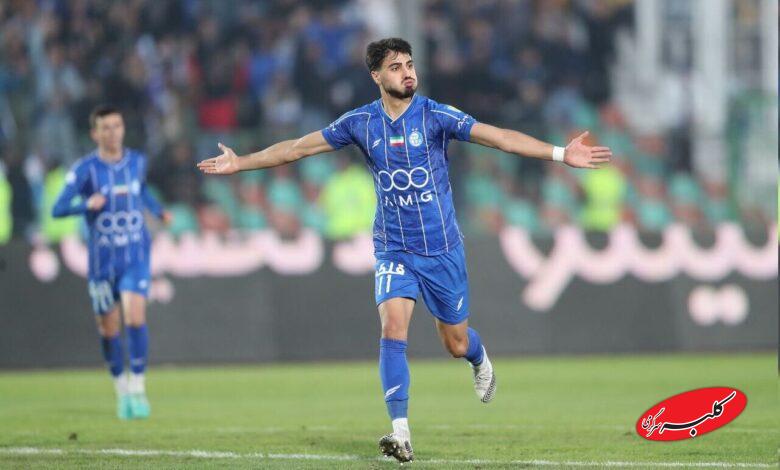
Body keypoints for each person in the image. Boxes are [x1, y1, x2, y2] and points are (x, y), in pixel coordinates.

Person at [197, 38, 611, 462]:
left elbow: (500, 137)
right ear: (376, 76)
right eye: (396, 67)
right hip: (393, 248)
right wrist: (241, 162)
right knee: (392, 329)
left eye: (410, 64)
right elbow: (297, 148)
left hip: (442, 250)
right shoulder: (360, 123)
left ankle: (477, 356)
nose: (407, 72)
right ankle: (401, 432)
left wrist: (561, 153)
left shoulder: (435, 115)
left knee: (455, 342)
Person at [52, 105, 171, 420]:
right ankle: (121, 391)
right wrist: (85, 205)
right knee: (108, 329)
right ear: (95, 133)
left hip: (135, 255)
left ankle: (138, 388)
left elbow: (141, 191)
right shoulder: (85, 170)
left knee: (135, 317)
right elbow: (57, 208)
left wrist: (158, 210)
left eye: (117, 126)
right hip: (102, 262)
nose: (113, 132)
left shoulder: (137, 161)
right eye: (105, 127)